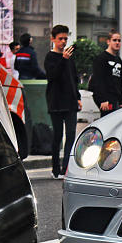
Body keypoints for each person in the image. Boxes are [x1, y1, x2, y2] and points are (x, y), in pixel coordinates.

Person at [44, 25, 80, 179]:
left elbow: (74, 78)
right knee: (57, 136)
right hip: (56, 101)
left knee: (71, 134)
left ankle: (66, 167)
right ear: (53, 39)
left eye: (65, 38)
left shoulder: (69, 57)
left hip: (71, 101)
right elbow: (52, 76)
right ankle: (55, 169)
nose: (63, 42)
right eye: (60, 39)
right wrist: (63, 60)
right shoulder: (50, 57)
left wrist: (78, 97)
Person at [91, 29, 122, 117]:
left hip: (115, 97)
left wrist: (121, 101)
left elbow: (120, 80)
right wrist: (103, 99)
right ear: (108, 41)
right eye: (114, 40)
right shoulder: (101, 58)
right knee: (107, 121)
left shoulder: (118, 59)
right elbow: (98, 80)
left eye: (119, 40)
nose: (117, 43)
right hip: (105, 97)